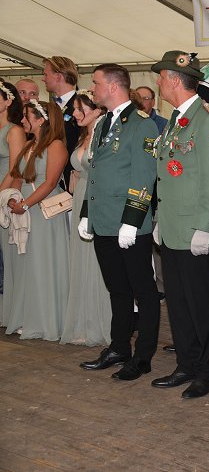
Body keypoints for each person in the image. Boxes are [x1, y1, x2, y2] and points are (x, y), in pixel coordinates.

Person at [150, 51, 209, 399]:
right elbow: (169, 177)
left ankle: (207, 371)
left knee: (201, 304)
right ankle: (186, 363)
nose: (157, 83)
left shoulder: (208, 119)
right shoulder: (177, 119)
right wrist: (159, 219)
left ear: (173, 80)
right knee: (179, 303)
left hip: (196, 230)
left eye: (160, 77)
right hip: (172, 227)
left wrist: (204, 226)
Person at [77, 64, 160, 380]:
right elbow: (97, 173)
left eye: (95, 83)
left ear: (113, 86)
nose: (92, 89)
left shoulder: (142, 125)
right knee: (117, 289)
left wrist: (132, 220)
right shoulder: (102, 123)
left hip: (128, 224)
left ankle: (143, 356)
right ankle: (119, 347)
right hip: (104, 219)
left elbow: (144, 175)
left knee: (144, 291)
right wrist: (87, 211)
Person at [5, 100, 69, 340]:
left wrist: (26, 204)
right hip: (25, 208)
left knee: (43, 263)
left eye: (27, 116)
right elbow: (18, 176)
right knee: (26, 264)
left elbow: (50, 182)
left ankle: (46, 320)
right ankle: (27, 316)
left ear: (41, 120)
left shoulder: (56, 145)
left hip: (44, 211)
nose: (22, 120)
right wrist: (13, 198)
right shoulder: (29, 145)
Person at [60, 91, 111, 346]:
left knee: (97, 262)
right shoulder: (83, 135)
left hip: (96, 199)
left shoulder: (104, 134)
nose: (76, 114)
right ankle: (81, 321)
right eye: (75, 109)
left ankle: (98, 323)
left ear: (97, 110)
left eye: (81, 109)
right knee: (80, 258)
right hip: (80, 196)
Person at [0, 82, 26, 325]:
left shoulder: (14, 130)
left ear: (8, 101)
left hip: (4, 193)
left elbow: (15, 169)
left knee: (4, 254)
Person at [42, 56, 80, 189]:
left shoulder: (81, 105)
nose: (43, 79)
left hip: (70, 179)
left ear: (58, 76)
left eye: (46, 74)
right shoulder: (49, 107)